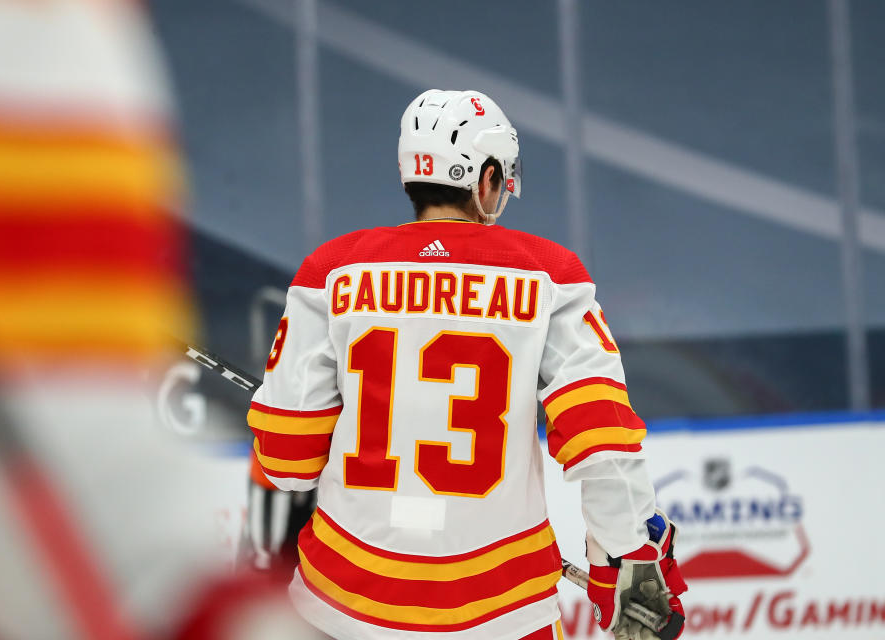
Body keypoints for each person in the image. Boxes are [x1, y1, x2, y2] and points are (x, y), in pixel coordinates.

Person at [249, 89, 687, 640]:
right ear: (485, 180)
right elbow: (601, 438)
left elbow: (287, 462)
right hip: (503, 613)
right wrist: (632, 553)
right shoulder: (549, 275)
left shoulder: (332, 272)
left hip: (342, 610)